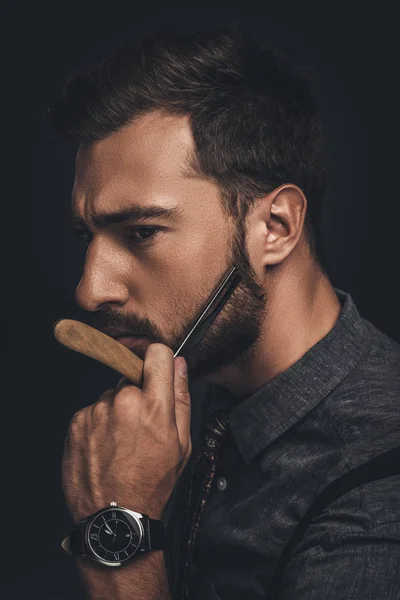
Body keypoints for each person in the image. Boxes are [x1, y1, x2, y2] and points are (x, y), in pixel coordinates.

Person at [48, 28, 400, 600]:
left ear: (276, 228)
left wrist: (118, 527)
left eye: (141, 232)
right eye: (88, 236)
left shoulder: (377, 499)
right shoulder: (199, 393)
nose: (90, 292)